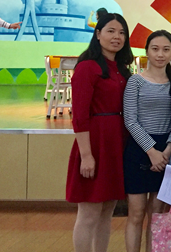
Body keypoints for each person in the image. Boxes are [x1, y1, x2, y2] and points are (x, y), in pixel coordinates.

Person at [66, 13, 134, 252]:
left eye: (122, 33)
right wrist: (86, 155)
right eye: (111, 31)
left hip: (116, 143)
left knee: (107, 211)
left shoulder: (122, 70)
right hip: (95, 144)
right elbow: (80, 116)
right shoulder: (87, 67)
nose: (117, 37)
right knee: (89, 213)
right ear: (98, 34)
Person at [123, 30, 171, 252]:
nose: (160, 54)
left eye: (166, 49)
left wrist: (168, 150)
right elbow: (130, 120)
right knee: (136, 214)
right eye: (155, 49)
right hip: (139, 151)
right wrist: (151, 151)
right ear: (147, 52)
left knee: (157, 215)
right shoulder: (135, 81)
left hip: (166, 153)